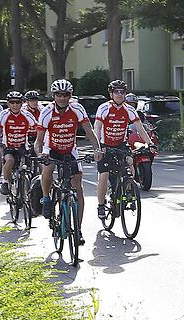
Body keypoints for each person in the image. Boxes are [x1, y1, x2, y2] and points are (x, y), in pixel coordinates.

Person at [34, 79, 101, 246]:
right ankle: (46, 198)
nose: (62, 98)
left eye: (65, 95)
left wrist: (97, 149)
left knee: (78, 187)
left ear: (70, 96)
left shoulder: (77, 108)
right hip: (52, 147)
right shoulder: (47, 112)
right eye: (58, 95)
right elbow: (39, 140)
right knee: (47, 169)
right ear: (54, 96)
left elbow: (89, 130)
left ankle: (77, 229)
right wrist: (40, 153)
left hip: (70, 149)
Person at [93, 80, 153, 218]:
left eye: (122, 92)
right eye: (116, 92)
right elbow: (97, 127)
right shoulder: (104, 108)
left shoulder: (129, 109)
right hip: (105, 145)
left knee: (130, 163)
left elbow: (140, 128)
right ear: (111, 94)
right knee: (104, 175)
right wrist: (97, 148)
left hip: (121, 144)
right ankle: (101, 205)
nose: (119, 94)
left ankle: (127, 190)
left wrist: (149, 143)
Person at [0, 91, 36, 195]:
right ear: (8, 104)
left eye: (18, 102)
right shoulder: (4, 114)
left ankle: (28, 186)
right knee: (10, 160)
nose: (15, 105)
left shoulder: (27, 114)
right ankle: (5, 181)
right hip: (8, 145)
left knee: (28, 166)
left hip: (23, 145)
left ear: (22, 104)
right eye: (12, 102)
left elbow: (38, 128)